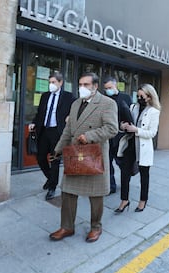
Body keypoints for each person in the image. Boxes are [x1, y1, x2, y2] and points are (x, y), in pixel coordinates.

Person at [49, 72, 118, 243]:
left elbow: (112, 129)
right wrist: (57, 151)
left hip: (94, 157)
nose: (82, 88)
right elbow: (68, 130)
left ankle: (96, 227)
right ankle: (67, 227)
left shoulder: (107, 103)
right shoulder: (75, 104)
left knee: (96, 195)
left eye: (86, 85)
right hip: (74, 156)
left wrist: (89, 136)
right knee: (67, 193)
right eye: (80, 84)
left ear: (95, 86)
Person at [29, 72, 75, 200]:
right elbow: (40, 113)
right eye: (50, 82)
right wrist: (34, 123)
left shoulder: (68, 97)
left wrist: (70, 117)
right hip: (44, 131)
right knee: (40, 157)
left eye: (54, 82)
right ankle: (50, 178)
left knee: (55, 160)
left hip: (57, 132)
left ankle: (52, 187)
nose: (51, 85)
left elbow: (76, 110)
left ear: (60, 83)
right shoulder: (45, 96)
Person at [115, 83, 161, 213]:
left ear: (149, 97)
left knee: (144, 175)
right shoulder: (132, 107)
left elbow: (152, 133)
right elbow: (125, 123)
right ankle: (124, 200)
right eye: (138, 95)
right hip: (129, 145)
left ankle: (142, 200)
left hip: (143, 148)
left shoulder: (153, 112)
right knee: (124, 174)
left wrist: (136, 130)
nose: (139, 98)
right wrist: (122, 126)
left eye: (142, 96)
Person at [103, 76, 133, 194]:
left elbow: (130, 116)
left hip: (120, 138)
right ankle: (111, 186)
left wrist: (125, 125)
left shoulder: (125, 98)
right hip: (107, 137)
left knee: (121, 162)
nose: (108, 90)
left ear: (116, 85)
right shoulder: (104, 98)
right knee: (108, 162)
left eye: (110, 87)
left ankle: (126, 178)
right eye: (106, 88)